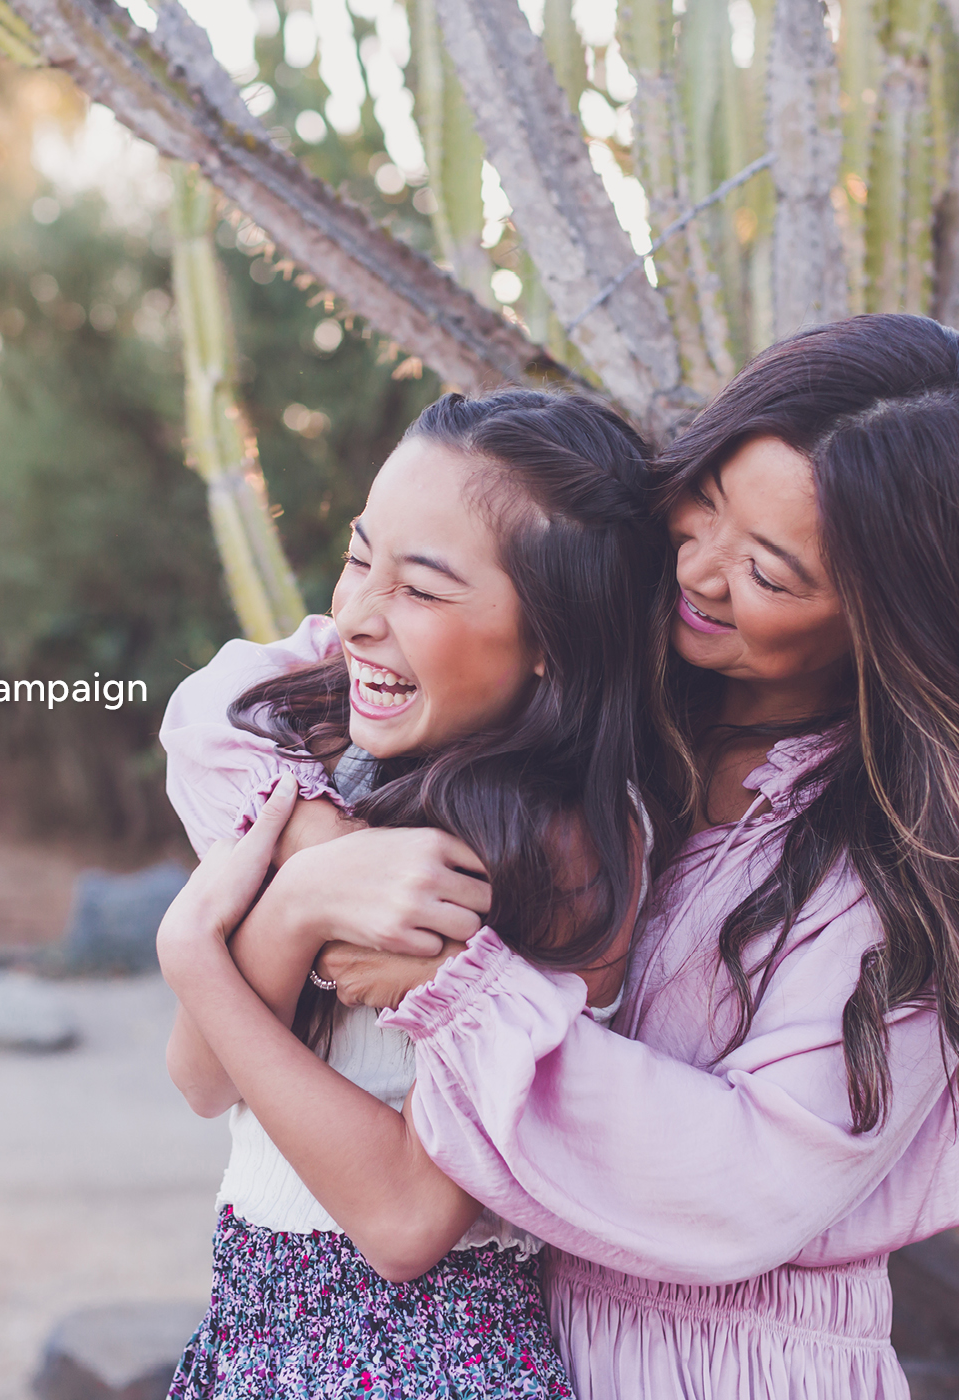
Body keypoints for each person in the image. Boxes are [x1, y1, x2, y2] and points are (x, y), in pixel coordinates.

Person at [159, 314, 959, 1397]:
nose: (700, 568)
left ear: (889, 622)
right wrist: (321, 855)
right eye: (706, 500)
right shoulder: (597, 649)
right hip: (520, 1331)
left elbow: (743, 1183)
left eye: (770, 571)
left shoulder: (920, 858)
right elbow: (232, 699)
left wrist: (457, 979)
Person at [159, 388, 668, 1397]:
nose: (354, 614)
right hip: (262, 1323)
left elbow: (404, 1222)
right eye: (357, 558)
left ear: (550, 640)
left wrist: (201, 950)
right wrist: (308, 887)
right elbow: (203, 1076)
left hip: (423, 1352)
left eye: (422, 589)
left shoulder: (564, 851)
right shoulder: (334, 767)